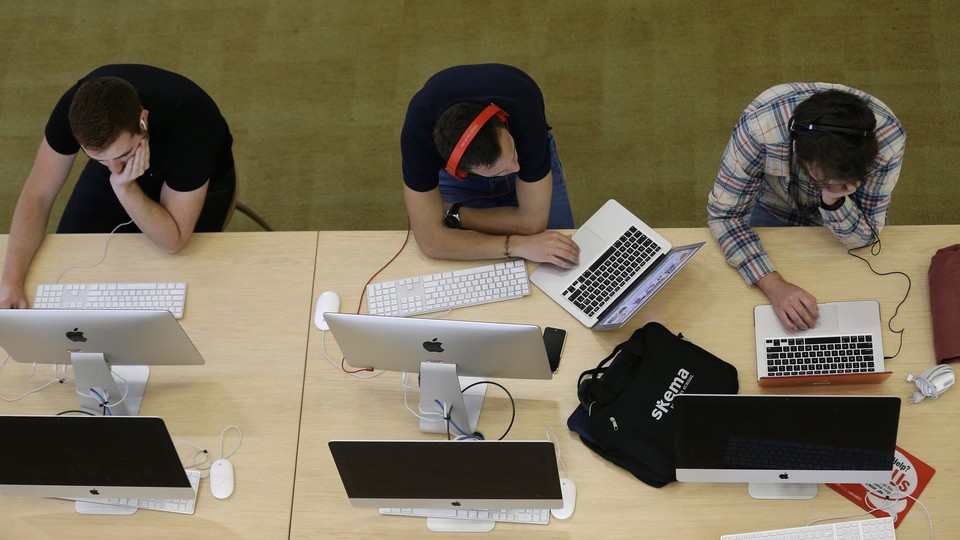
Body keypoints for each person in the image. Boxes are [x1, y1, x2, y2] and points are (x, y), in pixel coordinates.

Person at [0, 64, 235, 309]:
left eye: (121, 156)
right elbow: (38, 194)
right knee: (73, 264)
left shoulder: (194, 124)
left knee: (170, 281)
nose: (114, 168)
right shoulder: (76, 112)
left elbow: (172, 240)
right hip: (121, 176)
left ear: (142, 120)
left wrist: (125, 188)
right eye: (99, 159)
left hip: (198, 180)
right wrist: (10, 282)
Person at [707, 83, 905, 331]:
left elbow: (866, 237)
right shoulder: (760, 128)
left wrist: (833, 198)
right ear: (799, 152)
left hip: (845, 210)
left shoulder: (889, 142)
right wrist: (775, 286)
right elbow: (724, 216)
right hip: (774, 206)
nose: (828, 183)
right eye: (820, 179)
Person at [400, 64, 580, 268]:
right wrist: (518, 245)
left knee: (560, 255)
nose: (517, 168)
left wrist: (454, 213)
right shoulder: (418, 137)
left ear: (501, 119)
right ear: (460, 172)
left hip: (525, 138)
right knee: (470, 269)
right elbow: (432, 243)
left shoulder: (523, 105)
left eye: (511, 152)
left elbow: (532, 224)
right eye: (502, 170)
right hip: (462, 163)